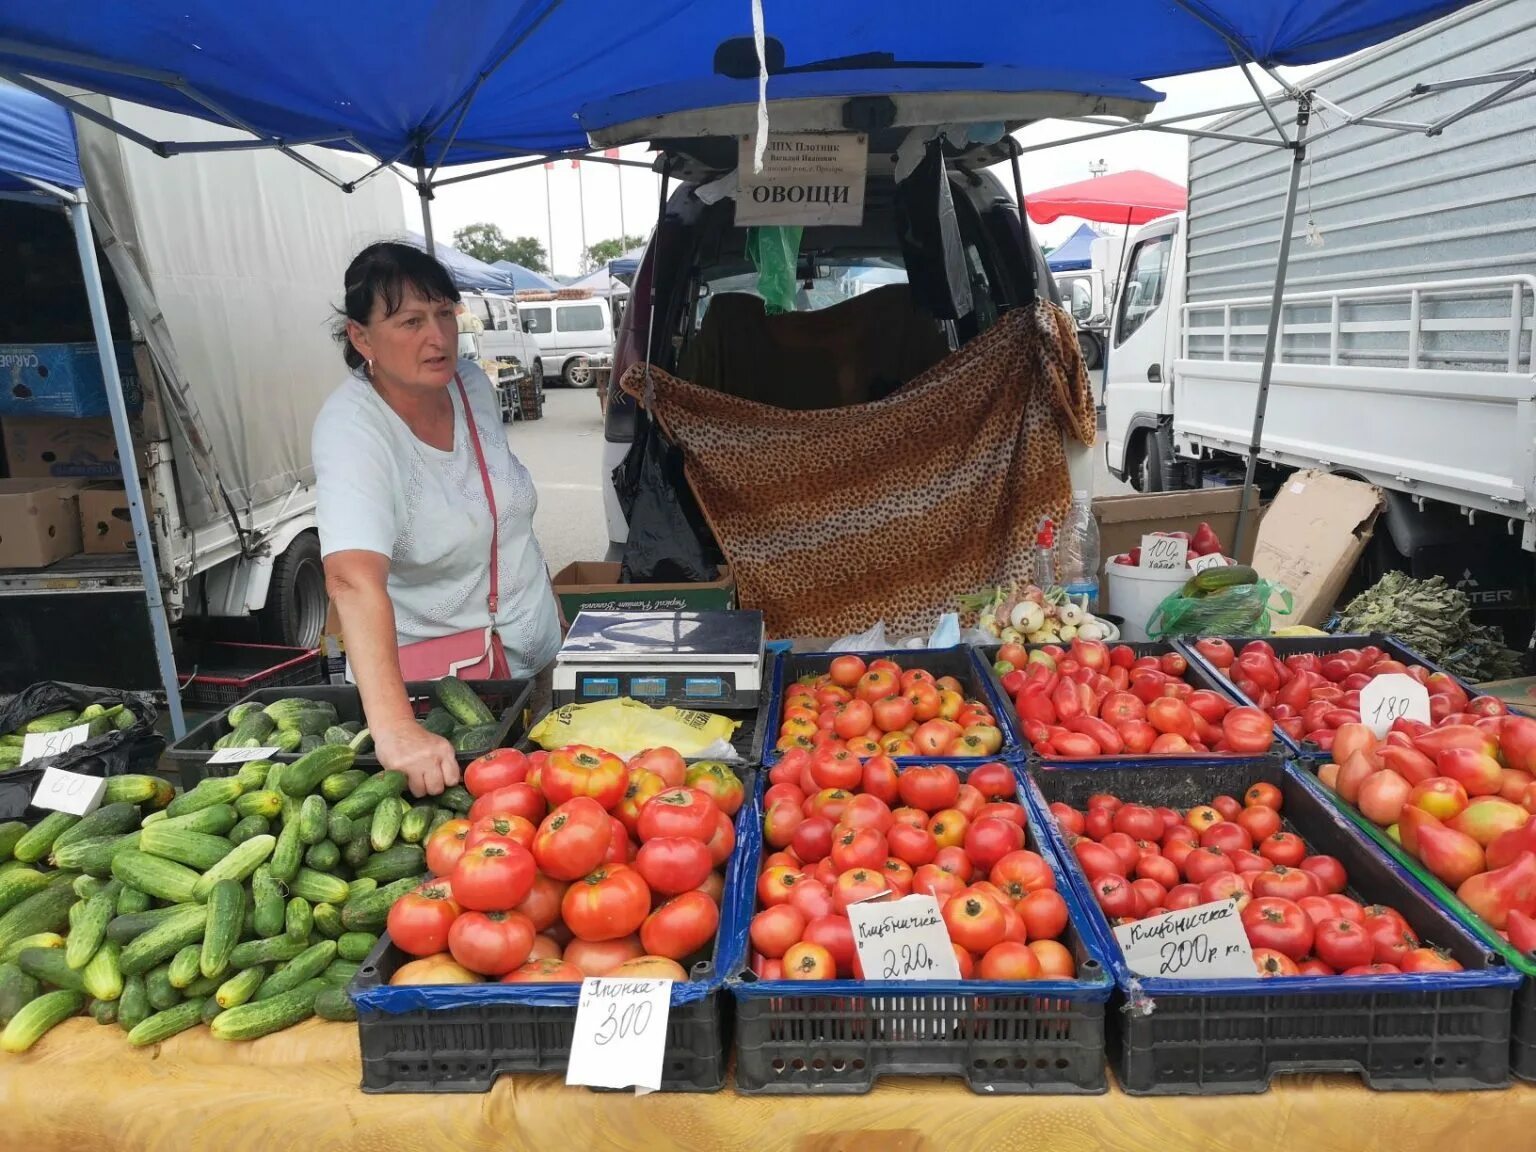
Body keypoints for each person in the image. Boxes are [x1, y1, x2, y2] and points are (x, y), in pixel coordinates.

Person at [315, 242, 560, 796]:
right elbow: (351, 579)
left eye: (446, 313)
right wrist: (398, 729)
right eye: (410, 321)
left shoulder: (470, 384)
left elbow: (503, 510)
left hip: (529, 658)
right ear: (361, 337)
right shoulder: (353, 431)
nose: (438, 337)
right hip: (437, 704)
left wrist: (545, 603)